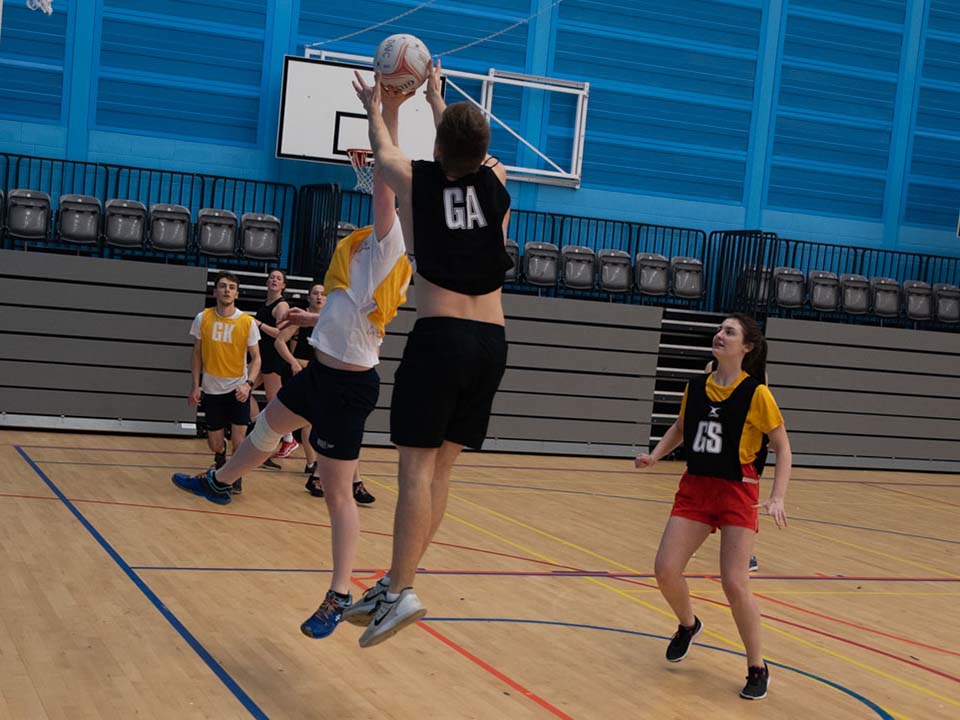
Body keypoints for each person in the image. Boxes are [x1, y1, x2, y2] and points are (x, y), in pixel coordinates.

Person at [171, 87, 412, 640]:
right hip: (322, 372)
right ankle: (221, 480)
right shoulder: (361, 263)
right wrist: (307, 322)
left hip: (348, 390)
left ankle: (339, 592)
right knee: (265, 425)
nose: (375, 190)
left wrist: (384, 111)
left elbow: (386, 183)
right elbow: (345, 314)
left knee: (336, 494)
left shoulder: (388, 245)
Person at [344, 62, 512, 648]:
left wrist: (377, 103)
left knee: (414, 470)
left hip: (441, 339)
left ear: (438, 145)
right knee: (441, 471)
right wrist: (439, 100)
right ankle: (397, 580)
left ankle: (401, 591)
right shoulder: (498, 178)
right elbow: (467, 150)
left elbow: (383, 147)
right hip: (493, 344)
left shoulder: (415, 179)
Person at [635, 313, 790, 700]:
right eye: (720, 329)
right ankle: (688, 625)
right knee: (665, 569)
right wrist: (655, 456)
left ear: (747, 347)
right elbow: (682, 428)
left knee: (735, 583)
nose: (720, 335)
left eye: (730, 332)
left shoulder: (757, 393)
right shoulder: (697, 386)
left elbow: (783, 447)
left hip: (737, 492)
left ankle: (757, 666)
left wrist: (778, 495)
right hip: (696, 489)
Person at [274, 284, 377, 505]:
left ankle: (323, 476)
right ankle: (316, 468)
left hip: (332, 377)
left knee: (340, 430)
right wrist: (293, 363)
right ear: (309, 296)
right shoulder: (303, 318)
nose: (319, 296)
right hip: (306, 373)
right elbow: (279, 341)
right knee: (314, 426)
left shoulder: (340, 317)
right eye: (315, 293)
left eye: (323, 294)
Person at [187, 271, 261, 490]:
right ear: (215, 291)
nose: (227, 290)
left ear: (236, 293)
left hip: (237, 388)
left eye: (231, 287)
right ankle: (220, 459)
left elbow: (256, 359)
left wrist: (248, 385)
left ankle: (234, 476)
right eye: (222, 286)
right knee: (214, 443)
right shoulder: (203, 318)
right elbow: (196, 353)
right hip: (211, 389)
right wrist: (196, 385)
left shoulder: (247, 322)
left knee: (240, 439)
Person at [705, 358, 766, 574]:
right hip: (716, 445)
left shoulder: (757, 382)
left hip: (745, 450)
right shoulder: (710, 372)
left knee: (746, 505)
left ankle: (747, 552)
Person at [251, 268, 299, 465]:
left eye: (278, 278)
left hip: (273, 358)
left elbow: (279, 333)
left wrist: (258, 324)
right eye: (271, 277)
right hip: (261, 356)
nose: (274, 280)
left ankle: (288, 439)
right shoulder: (266, 303)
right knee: (241, 390)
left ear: (284, 285)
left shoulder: (282, 305)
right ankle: (258, 427)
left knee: (274, 402)